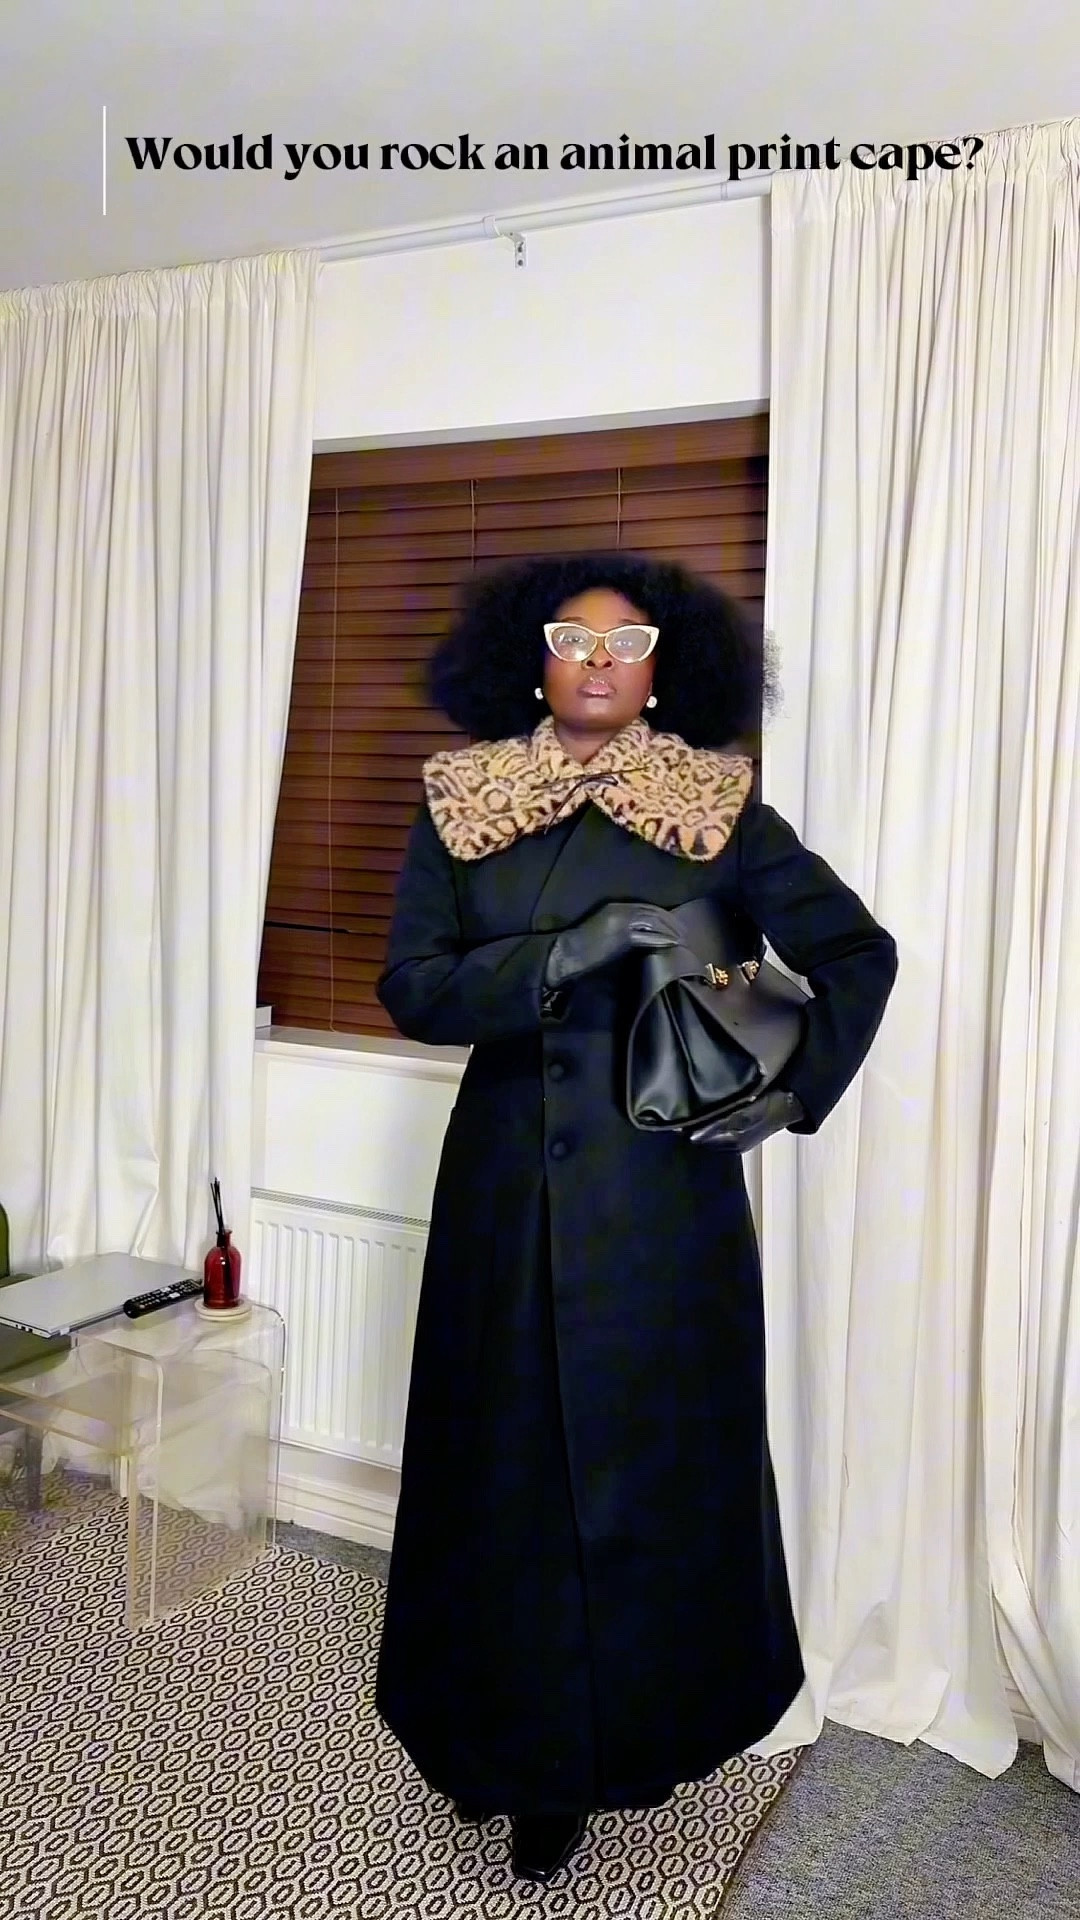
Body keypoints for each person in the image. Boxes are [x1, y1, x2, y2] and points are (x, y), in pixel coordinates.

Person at [374, 553, 897, 1885]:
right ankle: (494, 1741)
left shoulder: (719, 808)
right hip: (502, 1194)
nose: (598, 661)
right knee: (499, 1480)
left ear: (665, 669)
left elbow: (857, 953)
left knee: (638, 1482)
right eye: (572, 640)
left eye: (626, 642)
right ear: (531, 661)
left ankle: (608, 1755)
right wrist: (570, 950)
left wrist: (791, 1094)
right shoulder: (459, 804)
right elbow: (415, 989)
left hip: (661, 1205)